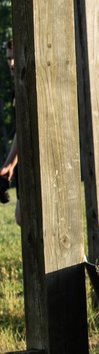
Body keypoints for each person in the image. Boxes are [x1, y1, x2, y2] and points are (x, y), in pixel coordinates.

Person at [0, 37, 20, 226]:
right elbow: (20, 133)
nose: (11, 63)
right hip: (23, 163)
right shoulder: (17, 89)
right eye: (8, 58)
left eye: (14, 57)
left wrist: (8, 163)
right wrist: (11, 165)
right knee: (21, 217)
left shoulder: (27, 87)